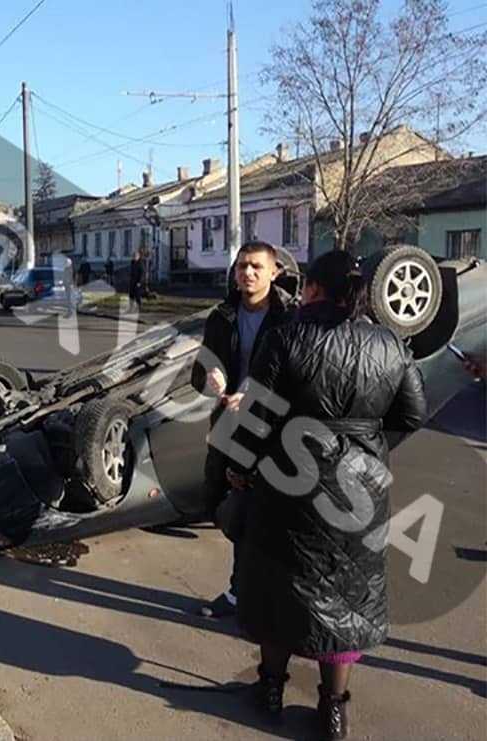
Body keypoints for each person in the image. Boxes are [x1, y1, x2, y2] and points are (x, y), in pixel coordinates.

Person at [231, 249, 426, 739]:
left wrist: (240, 466)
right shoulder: (389, 343)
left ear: (314, 288)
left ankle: (271, 689)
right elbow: (412, 414)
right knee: (347, 595)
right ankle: (334, 708)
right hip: (358, 488)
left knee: (279, 588)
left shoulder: (285, 336)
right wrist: (369, 448)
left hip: (285, 483)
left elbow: (256, 415)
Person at [190, 240, 295, 618]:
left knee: (274, 512)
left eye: (255, 267)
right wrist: (212, 379)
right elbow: (197, 374)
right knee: (234, 507)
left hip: (276, 430)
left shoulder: (290, 318)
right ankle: (240, 593)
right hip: (231, 426)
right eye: (240, 267)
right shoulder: (222, 316)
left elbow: (298, 377)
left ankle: (269, 594)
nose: (247, 274)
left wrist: (257, 395)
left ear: (274, 272)